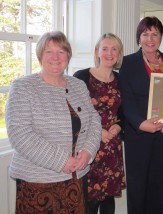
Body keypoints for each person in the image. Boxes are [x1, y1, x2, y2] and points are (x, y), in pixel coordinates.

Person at [5, 31, 102, 213]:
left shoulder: (77, 85)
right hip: (38, 183)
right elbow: (20, 134)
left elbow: (94, 121)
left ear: (68, 55)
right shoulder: (23, 86)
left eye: (61, 51)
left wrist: (88, 151)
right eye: (49, 51)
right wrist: (62, 160)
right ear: (40, 54)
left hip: (76, 178)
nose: (56, 57)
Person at [118, 16, 163, 214]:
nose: (150, 39)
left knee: (157, 186)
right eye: (145, 34)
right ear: (138, 37)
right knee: (137, 189)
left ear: (161, 37)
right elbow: (126, 100)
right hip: (139, 134)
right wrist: (141, 124)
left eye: (155, 34)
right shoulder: (127, 62)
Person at [73, 33, 125, 214]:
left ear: (119, 54)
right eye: (105, 48)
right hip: (89, 146)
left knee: (108, 199)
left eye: (114, 49)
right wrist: (98, 131)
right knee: (90, 200)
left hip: (112, 146)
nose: (109, 53)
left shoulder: (121, 80)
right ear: (97, 52)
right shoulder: (81, 77)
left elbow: (124, 112)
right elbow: (73, 111)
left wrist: (119, 126)